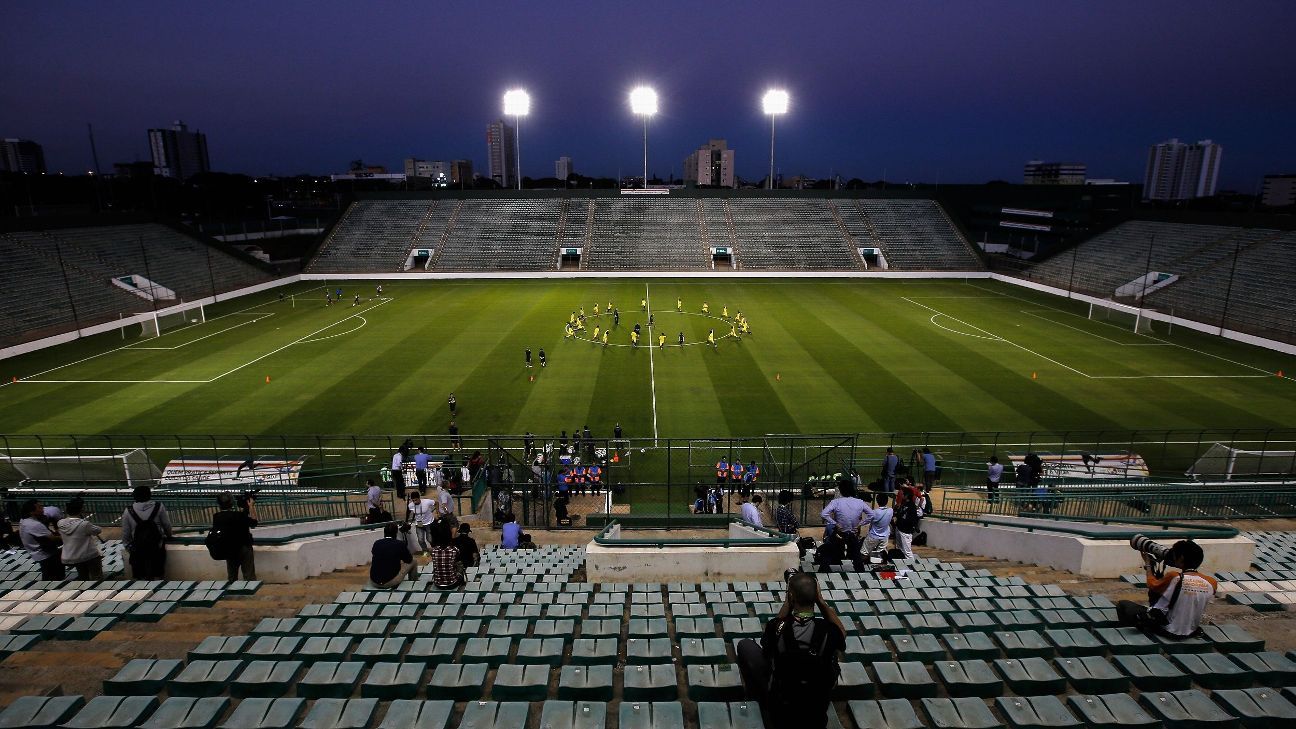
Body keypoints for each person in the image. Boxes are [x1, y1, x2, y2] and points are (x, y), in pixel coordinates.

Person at [736, 572, 846, 729]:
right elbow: (842, 632)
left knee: (745, 645)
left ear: (791, 596)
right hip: (816, 712)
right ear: (815, 596)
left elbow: (768, 645)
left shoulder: (777, 628)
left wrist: (788, 602)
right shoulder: (828, 630)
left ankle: (759, 701)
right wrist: (821, 602)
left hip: (781, 710)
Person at [1116, 540, 1217, 639]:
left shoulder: (1174, 577)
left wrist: (1148, 564)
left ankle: (1132, 638)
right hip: (1191, 631)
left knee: (1123, 605)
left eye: (1174, 555)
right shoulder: (1212, 582)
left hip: (1168, 630)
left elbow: (1152, 585)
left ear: (1181, 558)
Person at [121, 486, 172, 579]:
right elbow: (166, 525)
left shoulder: (128, 511)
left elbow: (126, 533)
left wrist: (129, 548)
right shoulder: (159, 507)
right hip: (156, 547)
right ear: (149, 495)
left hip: (138, 548)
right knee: (158, 573)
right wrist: (169, 536)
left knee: (140, 576)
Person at [819, 478, 866, 571]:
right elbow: (871, 515)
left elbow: (824, 514)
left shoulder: (836, 502)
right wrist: (860, 524)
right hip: (851, 532)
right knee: (856, 554)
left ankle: (823, 569)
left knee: (829, 551)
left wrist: (835, 523)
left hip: (840, 532)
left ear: (841, 490)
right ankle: (860, 571)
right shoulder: (859, 502)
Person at [212, 492, 259, 580]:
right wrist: (251, 506)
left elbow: (232, 518)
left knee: (232, 575)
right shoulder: (239, 516)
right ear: (231, 503)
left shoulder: (217, 517)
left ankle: (232, 590)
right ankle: (249, 591)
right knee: (249, 575)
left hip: (229, 549)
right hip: (244, 548)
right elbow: (254, 522)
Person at [59, 497, 103, 580]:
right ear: (81, 510)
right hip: (89, 555)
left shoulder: (60, 523)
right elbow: (98, 530)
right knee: (97, 577)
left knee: (83, 577)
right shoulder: (84, 524)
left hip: (74, 557)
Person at [20, 499, 63, 580]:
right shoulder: (35, 525)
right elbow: (53, 538)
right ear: (31, 512)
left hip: (38, 553)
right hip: (46, 555)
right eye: (39, 507)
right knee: (53, 577)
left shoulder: (24, 520)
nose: (43, 509)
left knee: (48, 574)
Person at [369, 523, 418, 589]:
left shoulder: (377, 543)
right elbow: (409, 560)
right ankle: (413, 584)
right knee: (414, 561)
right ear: (396, 533)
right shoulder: (399, 544)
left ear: (384, 532)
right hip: (389, 582)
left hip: (374, 581)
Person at [428, 522, 464, 589]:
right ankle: (461, 586)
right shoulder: (454, 550)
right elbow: (459, 563)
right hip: (452, 584)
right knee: (460, 566)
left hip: (438, 584)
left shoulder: (433, 551)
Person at [892, 488, 922, 559]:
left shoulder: (912, 506)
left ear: (907, 495)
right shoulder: (903, 504)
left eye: (903, 494)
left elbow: (913, 520)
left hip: (906, 531)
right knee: (899, 550)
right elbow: (899, 515)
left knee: (907, 552)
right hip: (899, 529)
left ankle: (911, 568)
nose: (902, 495)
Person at [406, 490, 435, 554]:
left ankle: (435, 550)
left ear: (419, 498)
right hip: (419, 524)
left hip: (428, 523)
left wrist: (437, 512)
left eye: (416, 500)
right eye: (413, 500)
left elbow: (436, 503)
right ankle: (425, 551)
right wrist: (408, 522)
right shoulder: (411, 505)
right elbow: (409, 513)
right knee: (420, 540)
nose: (414, 502)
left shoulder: (426, 502)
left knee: (430, 539)